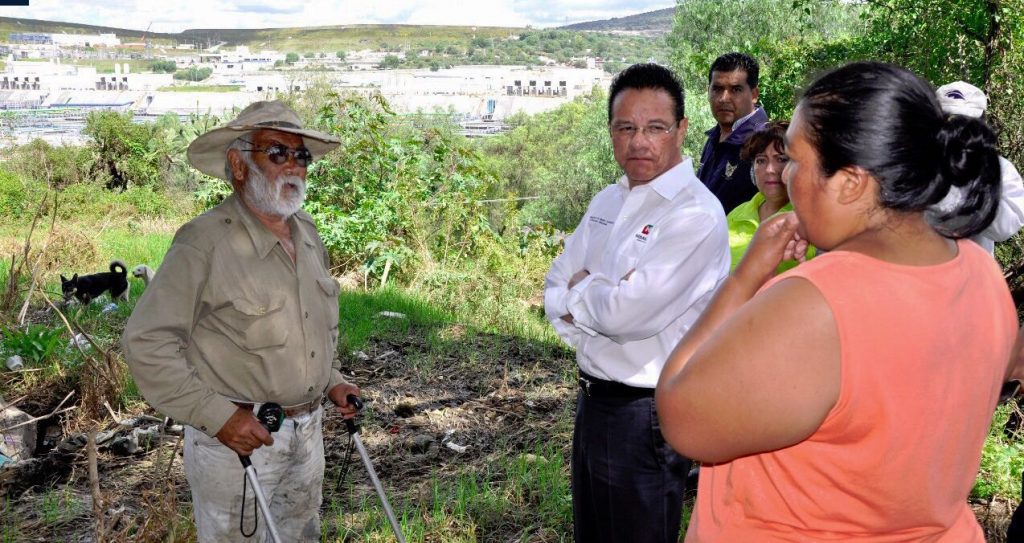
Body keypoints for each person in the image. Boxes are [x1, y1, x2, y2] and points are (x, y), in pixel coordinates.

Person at [655, 62, 1017, 541]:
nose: (785, 176)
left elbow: (680, 414)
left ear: (850, 182)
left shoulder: (817, 302)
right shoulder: (981, 271)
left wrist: (745, 279)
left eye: (796, 161)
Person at [122, 100, 360, 542]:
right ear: (238, 163)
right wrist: (220, 417)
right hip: (236, 447)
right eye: (277, 153)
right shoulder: (204, 242)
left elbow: (310, 328)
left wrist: (333, 381)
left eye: (301, 155)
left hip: (308, 438)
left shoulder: (306, 233)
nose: (294, 166)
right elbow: (146, 342)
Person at [544, 63, 729, 543]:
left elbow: (627, 315)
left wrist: (584, 295)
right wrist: (597, 296)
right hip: (592, 402)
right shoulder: (607, 200)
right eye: (626, 128)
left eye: (655, 128)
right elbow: (554, 286)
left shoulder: (694, 213)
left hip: (647, 414)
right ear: (610, 131)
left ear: (682, 130)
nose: (639, 142)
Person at [929, 80, 1024, 253]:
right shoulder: (914, 161)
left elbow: (1004, 228)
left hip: (971, 276)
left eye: (966, 123)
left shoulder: (1000, 169)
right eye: (948, 120)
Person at [726, 119, 814, 273]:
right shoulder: (735, 215)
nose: (770, 170)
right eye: (761, 161)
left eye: (781, 159)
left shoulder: (811, 223)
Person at [697, 52, 768, 214]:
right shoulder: (715, 138)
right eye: (717, 89)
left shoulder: (764, 143)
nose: (724, 98)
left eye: (735, 89)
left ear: (754, 95)